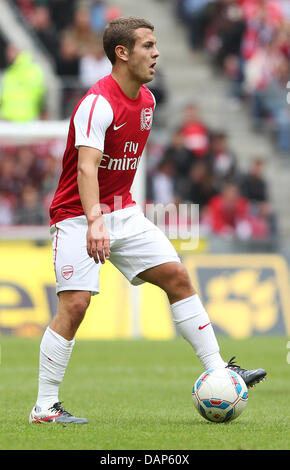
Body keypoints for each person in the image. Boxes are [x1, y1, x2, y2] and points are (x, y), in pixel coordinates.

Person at [29, 16, 266, 425]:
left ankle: (219, 370)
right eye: (148, 46)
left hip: (124, 212)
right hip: (77, 216)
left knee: (177, 276)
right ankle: (44, 408)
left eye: (156, 45)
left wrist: (114, 215)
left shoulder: (149, 102)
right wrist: (94, 221)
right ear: (122, 53)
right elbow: (87, 169)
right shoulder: (97, 103)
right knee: (76, 305)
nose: (156, 54)